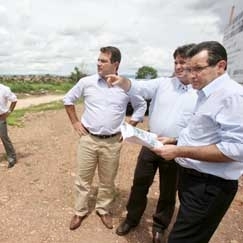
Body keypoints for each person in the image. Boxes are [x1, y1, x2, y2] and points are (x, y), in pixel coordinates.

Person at [152, 41, 243, 243]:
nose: (191, 75)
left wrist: (179, 151)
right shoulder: (206, 93)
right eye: (189, 69)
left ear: (220, 66)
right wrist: (175, 141)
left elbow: (236, 149)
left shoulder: (233, 96)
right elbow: (205, 133)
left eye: (198, 69)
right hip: (193, 180)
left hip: (209, 186)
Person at [107, 44, 198, 243]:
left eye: (183, 62)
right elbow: (139, 86)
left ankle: (159, 227)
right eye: (176, 62)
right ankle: (132, 219)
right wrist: (122, 81)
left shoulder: (199, 92)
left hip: (176, 148)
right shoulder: (163, 84)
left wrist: (176, 143)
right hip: (150, 142)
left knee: (168, 189)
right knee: (140, 183)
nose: (178, 66)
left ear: (193, 64)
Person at [63, 46, 146, 231]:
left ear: (115, 64)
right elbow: (68, 100)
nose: (98, 63)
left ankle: (103, 209)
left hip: (113, 141)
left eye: (103, 61)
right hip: (88, 139)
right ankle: (80, 211)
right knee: (83, 179)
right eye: (98, 60)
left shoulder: (126, 86)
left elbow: (141, 105)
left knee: (108, 180)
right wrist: (75, 122)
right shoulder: (86, 82)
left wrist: (129, 127)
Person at [0, 83, 17, 168]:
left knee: (4, 137)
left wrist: (9, 112)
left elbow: (14, 100)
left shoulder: (4, 89)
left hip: (1, 118)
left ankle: (12, 157)